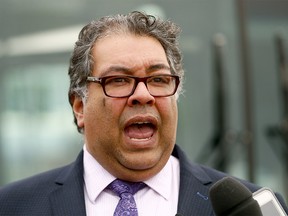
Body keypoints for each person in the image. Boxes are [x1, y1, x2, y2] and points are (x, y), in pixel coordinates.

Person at [0, 11, 287, 216]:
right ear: (79, 106)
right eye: (119, 80)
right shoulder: (12, 206)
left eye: (159, 80)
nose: (143, 94)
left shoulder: (252, 208)